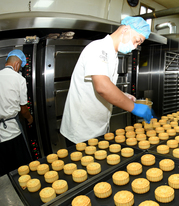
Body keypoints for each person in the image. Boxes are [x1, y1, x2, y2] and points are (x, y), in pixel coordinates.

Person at [61, 16, 152, 146]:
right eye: (137, 40)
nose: (135, 46)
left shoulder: (113, 55)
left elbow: (106, 85)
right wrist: (134, 107)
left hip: (98, 128)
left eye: (139, 44)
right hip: (81, 131)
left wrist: (123, 95)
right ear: (126, 30)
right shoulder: (98, 48)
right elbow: (102, 87)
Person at [0, 50, 33, 176]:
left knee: (4, 172)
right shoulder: (19, 79)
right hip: (12, 131)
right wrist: (30, 118)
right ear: (17, 64)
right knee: (21, 168)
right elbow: (23, 109)